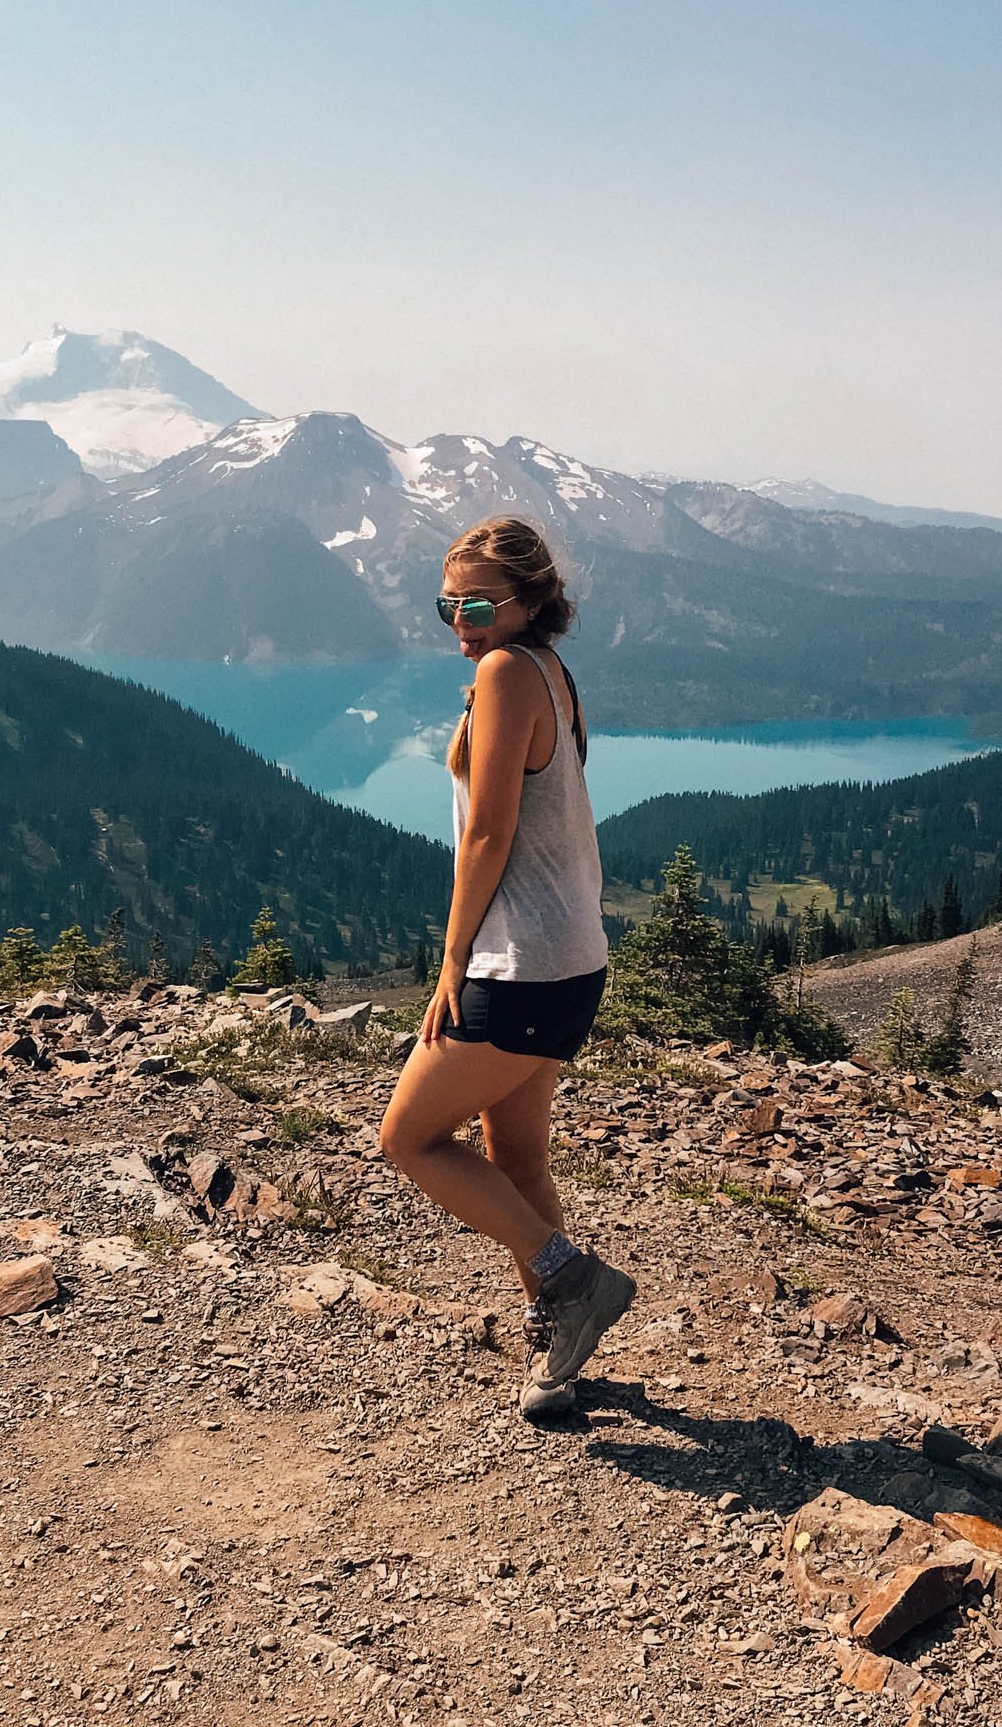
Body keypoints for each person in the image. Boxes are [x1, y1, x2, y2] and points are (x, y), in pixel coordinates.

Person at [378, 516, 636, 1419]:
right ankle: (557, 1359)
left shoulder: (503, 672)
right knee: (517, 1159)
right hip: (573, 961)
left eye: (479, 602)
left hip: (517, 966)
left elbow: (487, 832)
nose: (461, 620)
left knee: (407, 1138)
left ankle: (572, 1284)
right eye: (447, 603)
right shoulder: (547, 673)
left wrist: (451, 960)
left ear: (529, 600)